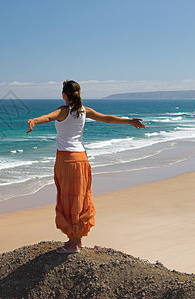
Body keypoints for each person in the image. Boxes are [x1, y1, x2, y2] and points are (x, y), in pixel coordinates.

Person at [26, 80, 145, 254]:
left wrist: (34, 120)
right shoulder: (84, 111)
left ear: (65, 94)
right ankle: (77, 239)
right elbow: (106, 119)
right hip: (82, 159)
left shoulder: (63, 110)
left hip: (66, 160)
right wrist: (129, 121)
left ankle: (73, 244)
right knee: (81, 197)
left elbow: (48, 117)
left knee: (69, 198)